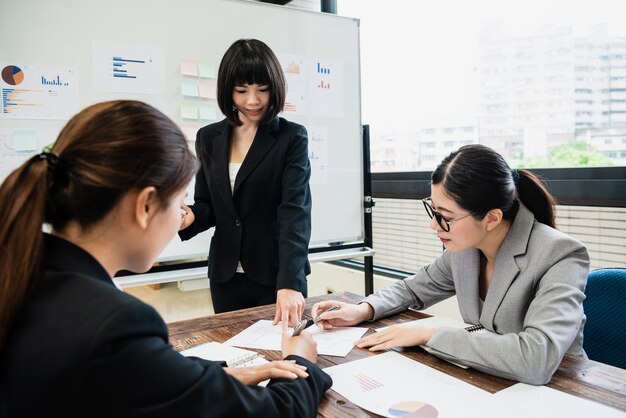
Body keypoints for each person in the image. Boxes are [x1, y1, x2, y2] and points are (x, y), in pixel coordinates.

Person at [0, 100, 331, 417]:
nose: (179, 216)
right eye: (179, 202)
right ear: (145, 206)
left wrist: (219, 376)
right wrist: (302, 361)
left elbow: (143, 373)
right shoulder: (117, 324)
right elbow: (272, 412)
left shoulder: (25, 273)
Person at [312, 144, 590, 385]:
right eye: (433, 210)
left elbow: (536, 358)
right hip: (491, 378)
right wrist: (363, 309)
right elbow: (413, 289)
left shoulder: (560, 254)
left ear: (492, 218)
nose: (434, 225)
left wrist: (430, 333)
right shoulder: (464, 249)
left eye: (445, 216)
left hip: (560, 389)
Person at [179, 39, 311, 326]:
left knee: (282, 357)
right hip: (225, 276)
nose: (253, 101)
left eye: (262, 90)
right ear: (228, 90)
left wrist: (290, 282)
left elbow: (295, 212)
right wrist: (190, 217)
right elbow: (209, 205)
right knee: (234, 357)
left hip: (276, 275)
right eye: (241, 91)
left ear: (274, 87)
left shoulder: (291, 137)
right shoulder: (208, 137)